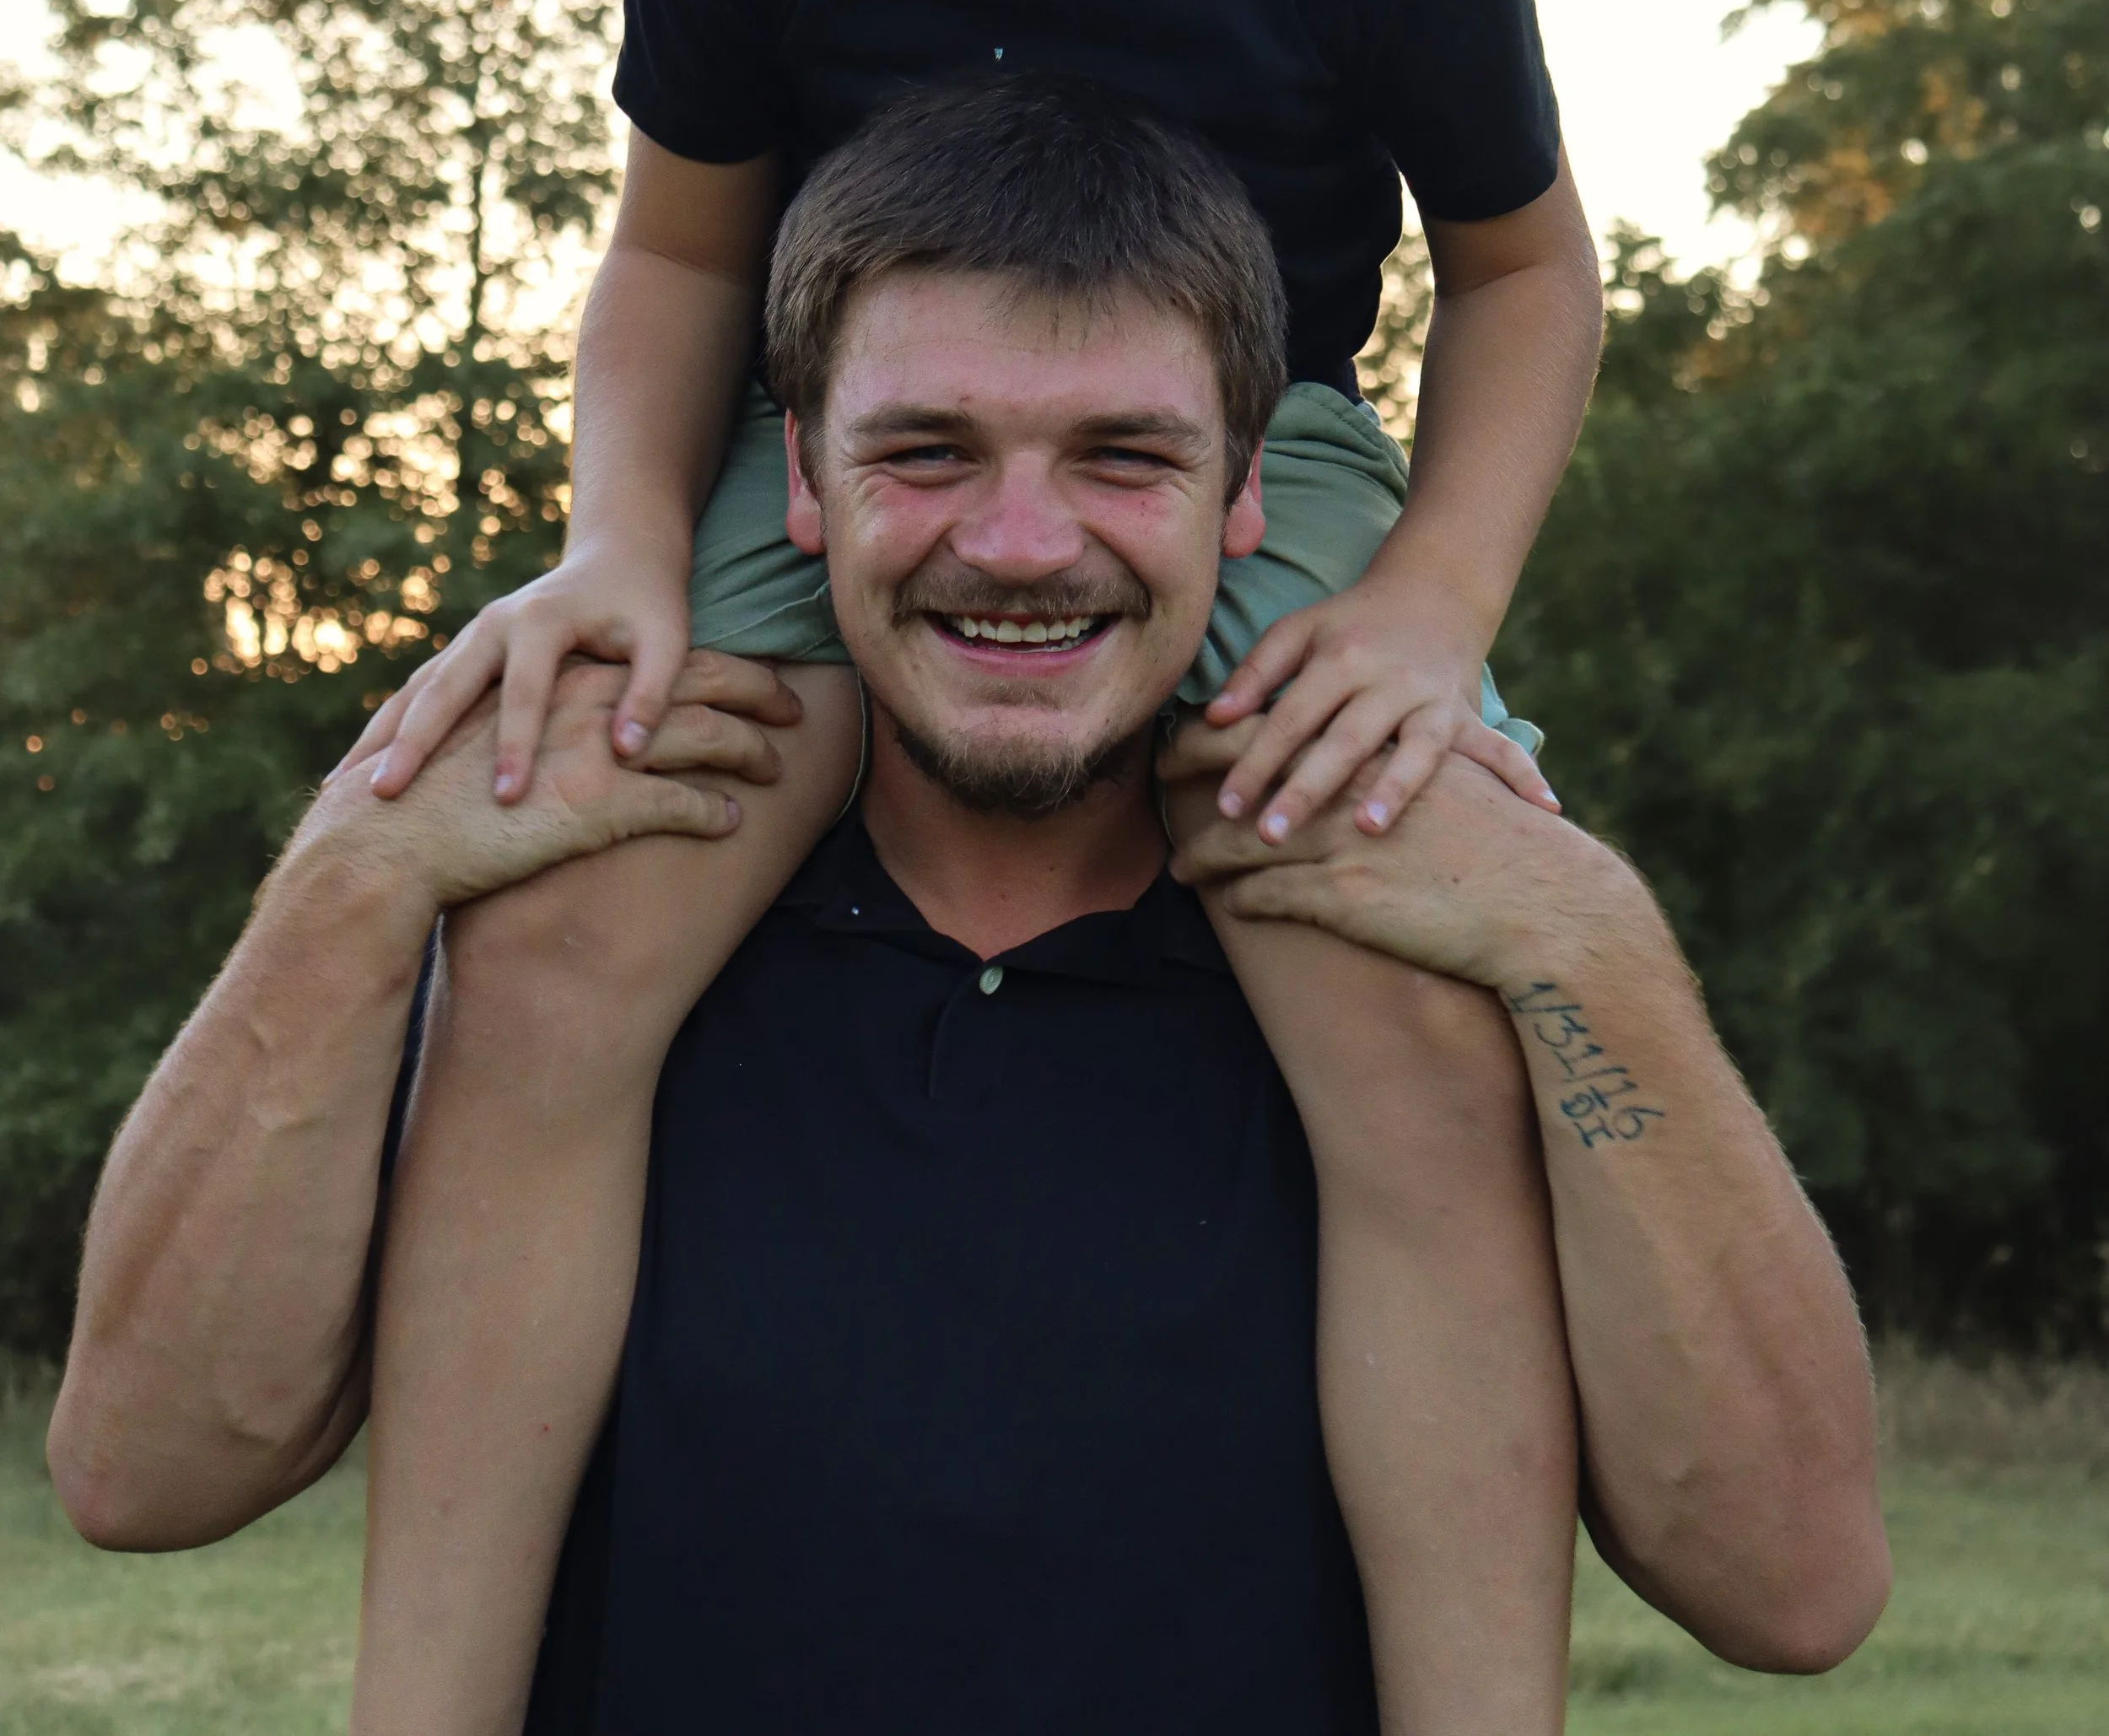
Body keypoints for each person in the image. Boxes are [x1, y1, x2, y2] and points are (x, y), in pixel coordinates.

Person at [343, 0, 1612, 1731]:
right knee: (566, 925)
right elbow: (686, 243)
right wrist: (614, 550)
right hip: (865, 451)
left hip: (1233, 460)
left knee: (1389, 960)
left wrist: (1421, 613)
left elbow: (1521, 272)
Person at [50, 84, 1891, 1733]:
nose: (1019, 543)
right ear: (798, 479)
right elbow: (142, 1472)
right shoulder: (595, 936)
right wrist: (355, 874)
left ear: (1247, 490)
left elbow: (1791, 1593)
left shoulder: (1408, 960)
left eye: (1122, 455)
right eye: (926, 451)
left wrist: (1591, 950)